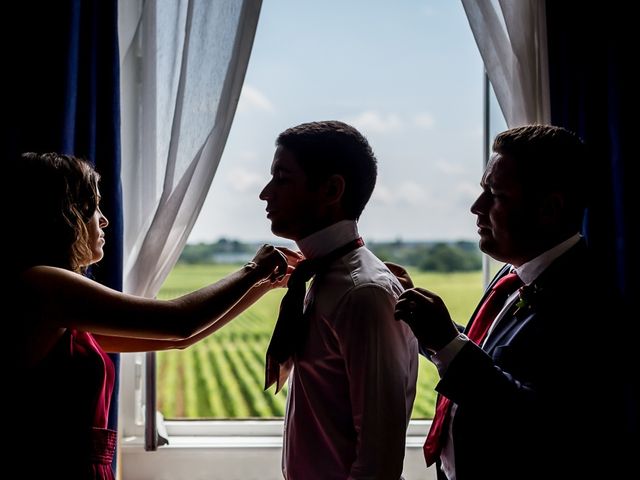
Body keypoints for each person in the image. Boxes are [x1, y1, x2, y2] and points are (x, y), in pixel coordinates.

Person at [5, 152, 298, 480]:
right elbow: (177, 321)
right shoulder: (42, 284)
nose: (104, 220)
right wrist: (253, 269)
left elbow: (182, 339)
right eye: (93, 207)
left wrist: (262, 285)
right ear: (63, 215)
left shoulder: (55, 304)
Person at [394, 124, 621, 479]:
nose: (476, 207)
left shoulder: (587, 298)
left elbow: (537, 423)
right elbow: (494, 359)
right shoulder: (511, 274)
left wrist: (446, 342)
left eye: (495, 195)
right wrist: (425, 322)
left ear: (549, 208)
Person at [259, 120, 418, 480]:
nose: (265, 193)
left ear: (331, 189)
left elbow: (378, 459)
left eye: (282, 178)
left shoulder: (363, 294)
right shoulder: (318, 277)